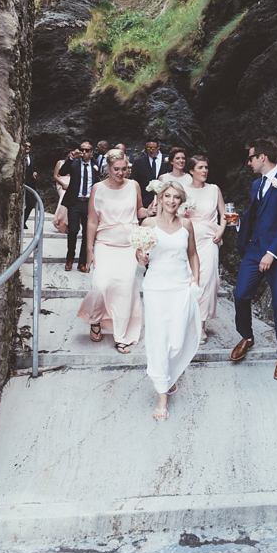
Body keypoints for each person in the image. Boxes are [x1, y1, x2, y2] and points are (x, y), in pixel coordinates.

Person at [230, 138, 277, 380]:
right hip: (254, 249)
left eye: (251, 157)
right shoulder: (255, 185)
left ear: (262, 158)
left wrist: (272, 253)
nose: (248, 162)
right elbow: (255, 214)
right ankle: (247, 337)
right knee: (240, 295)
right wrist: (239, 222)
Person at [137, 181, 201, 421]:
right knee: (158, 339)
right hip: (155, 287)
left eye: (176, 197)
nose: (172, 201)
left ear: (181, 200)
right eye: (167, 196)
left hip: (180, 287)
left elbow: (193, 254)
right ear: (160, 198)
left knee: (177, 339)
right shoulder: (148, 224)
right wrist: (141, 256)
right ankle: (162, 395)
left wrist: (196, 281)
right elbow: (140, 255)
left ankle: (169, 375)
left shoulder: (186, 224)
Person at [78, 149, 149, 353]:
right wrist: (89, 251)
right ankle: (95, 318)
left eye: (124, 169)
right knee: (101, 285)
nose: (120, 173)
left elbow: (139, 211)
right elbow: (92, 221)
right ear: (108, 168)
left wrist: (151, 211)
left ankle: (121, 336)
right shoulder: (98, 188)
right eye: (116, 169)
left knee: (124, 288)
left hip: (128, 246)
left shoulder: (133, 185)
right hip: (105, 244)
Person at [183, 154, 227, 338]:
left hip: (210, 239)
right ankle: (188, 320)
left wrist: (221, 232)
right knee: (190, 279)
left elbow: (224, 214)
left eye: (206, 168)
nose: (204, 171)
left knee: (208, 280)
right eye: (200, 168)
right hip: (189, 241)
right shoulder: (183, 190)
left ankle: (201, 324)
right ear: (191, 171)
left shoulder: (214, 189)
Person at [58, 142, 100, 272]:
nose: (84, 152)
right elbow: (61, 172)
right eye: (82, 150)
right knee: (73, 230)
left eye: (87, 150)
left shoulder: (95, 166)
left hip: (89, 203)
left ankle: (82, 262)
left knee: (87, 233)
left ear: (92, 152)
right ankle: (69, 259)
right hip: (75, 202)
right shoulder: (74, 164)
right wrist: (71, 158)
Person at [131, 137, 172, 208]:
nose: (150, 151)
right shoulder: (139, 162)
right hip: (145, 202)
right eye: (148, 148)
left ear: (158, 147)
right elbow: (134, 181)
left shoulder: (169, 160)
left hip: (166, 201)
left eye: (153, 148)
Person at [52, 150, 73, 232]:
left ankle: (65, 223)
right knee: (63, 199)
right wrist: (63, 184)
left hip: (70, 183)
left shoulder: (74, 164)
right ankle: (58, 220)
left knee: (69, 202)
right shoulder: (60, 162)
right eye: (68, 157)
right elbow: (55, 176)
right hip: (61, 183)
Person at [22, 140, 38, 229]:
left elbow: (34, 169)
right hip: (20, 184)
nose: (27, 148)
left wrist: (35, 172)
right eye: (25, 146)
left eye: (29, 147)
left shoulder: (32, 159)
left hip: (30, 184)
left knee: (31, 203)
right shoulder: (19, 158)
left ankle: (23, 220)